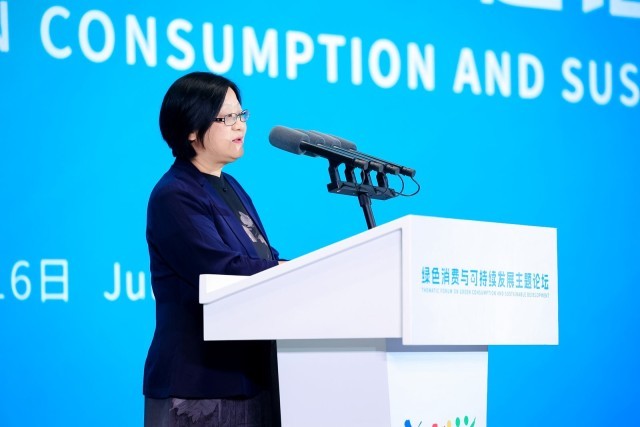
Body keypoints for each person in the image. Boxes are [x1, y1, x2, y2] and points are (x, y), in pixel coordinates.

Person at [143, 72, 284, 427]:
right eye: (227, 118)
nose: (240, 125)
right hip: (198, 387)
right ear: (192, 130)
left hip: (251, 378)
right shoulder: (175, 194)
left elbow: (260, 257)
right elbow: (220, 269)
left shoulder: (231, 186)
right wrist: (289, 271)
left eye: (241, 115)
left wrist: (291, 268)